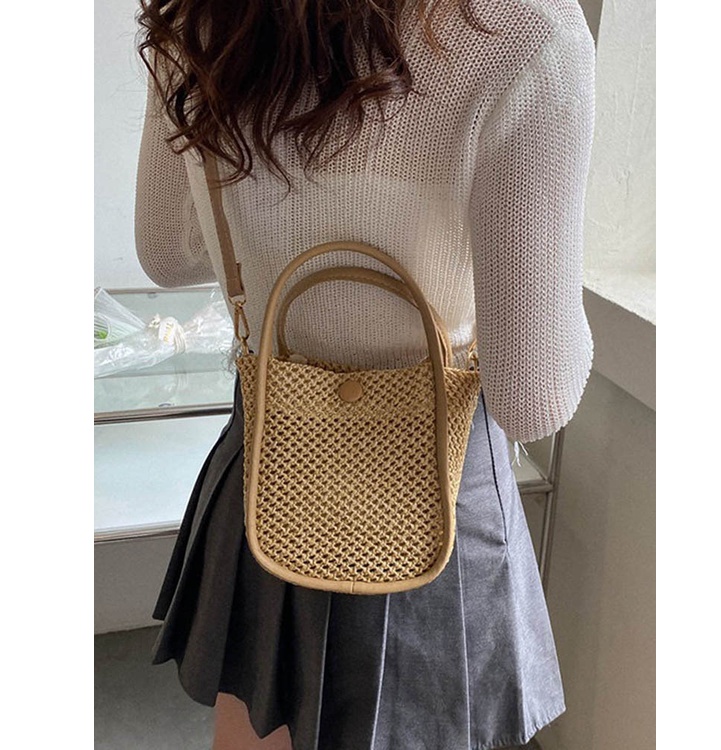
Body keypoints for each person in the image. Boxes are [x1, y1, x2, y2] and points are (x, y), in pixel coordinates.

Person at [134, 0, 596, 747]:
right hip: (437, 495)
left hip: (270, 466)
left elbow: (168, 250)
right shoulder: (526, 27)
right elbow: (534, 396)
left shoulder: (200, 16)